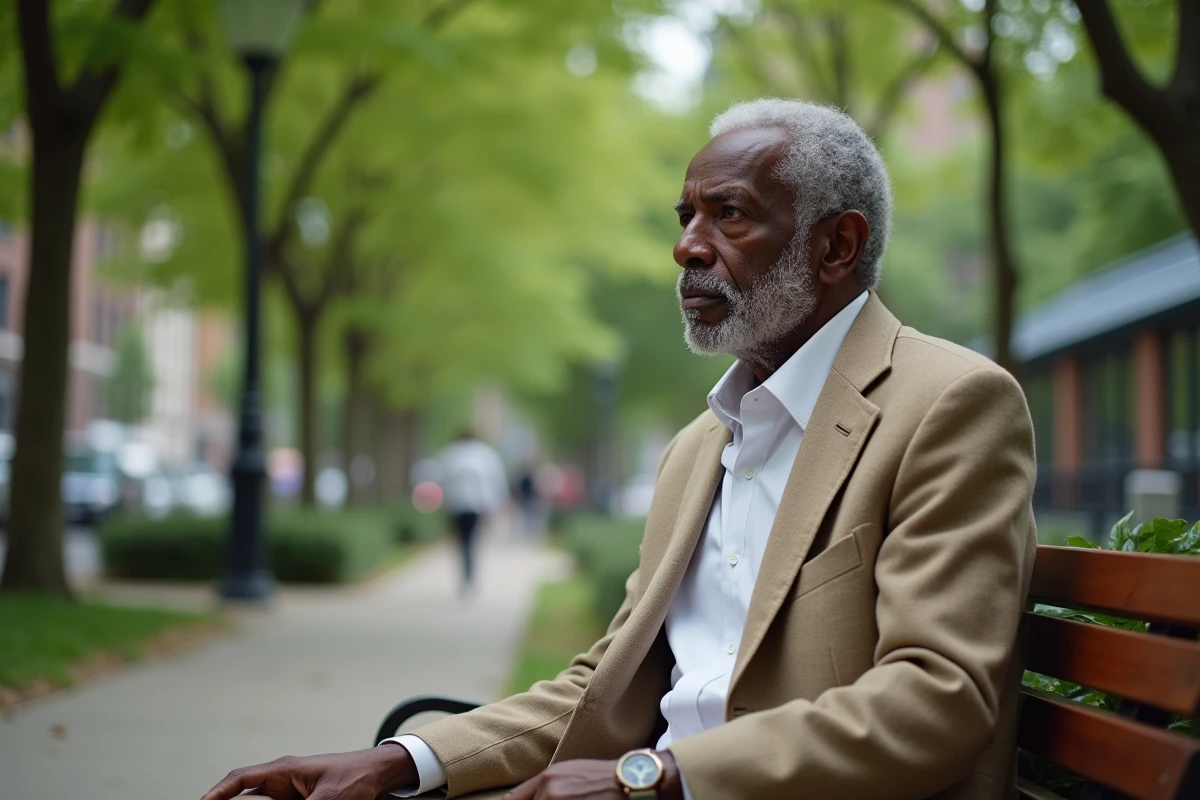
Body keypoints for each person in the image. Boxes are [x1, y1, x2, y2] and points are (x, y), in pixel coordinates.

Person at [202, 99, 1036, 800]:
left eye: (730, 213)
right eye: (686, 218)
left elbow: (940, 699)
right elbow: (601, 683)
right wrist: (402, 761)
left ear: (835, 246)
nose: (687, 247)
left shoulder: (949, 404)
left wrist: (654, 776)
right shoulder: (697, 448)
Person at [437, 430, 508, 593]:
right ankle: (469, 571)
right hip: (477, 504)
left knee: (462, 540)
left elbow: (441, 480)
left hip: (456, 504)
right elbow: (496, 481)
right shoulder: (486, 455)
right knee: (472, 539)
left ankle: (465, 571)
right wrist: (496, 505)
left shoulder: (450, 454)